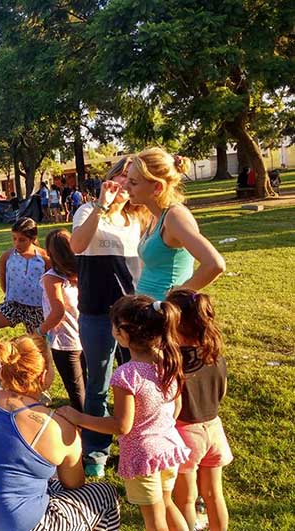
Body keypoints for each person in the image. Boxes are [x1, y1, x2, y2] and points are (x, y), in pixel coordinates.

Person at [0, 335, 121, 531]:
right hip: (24, 525)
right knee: (105, 493)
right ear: (44, 376)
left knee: (46, 485)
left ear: (4, 372)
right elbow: (74, 483)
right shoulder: (58, 426)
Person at [59, 295, 190, 531]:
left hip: (143, 455)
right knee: (168, 504)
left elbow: (121, 426)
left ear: (123, 334)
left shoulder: (127, 375)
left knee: (154, 519)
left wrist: (79, 418)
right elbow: (176, 407)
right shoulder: (168, 361)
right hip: (169, 447)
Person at [70, 158, 145, 477]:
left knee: (140, 382)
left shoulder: (137, 220)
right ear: (109, 180)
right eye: (121, 177)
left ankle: (140, 442)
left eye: (132, 179)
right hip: (97, 315)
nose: (125, 185)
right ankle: (96, 453)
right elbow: (76, 245)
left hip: (135, 317)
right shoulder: (87, 211)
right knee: (98, 386)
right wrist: (102, 206)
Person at [167, 289, 232, 531]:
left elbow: (173, 404)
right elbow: (222, 392)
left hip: (186, 435)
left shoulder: (172, 361)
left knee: (185, 499)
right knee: (215, 495)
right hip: (214, 429)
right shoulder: (216, 356)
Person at [125, 148, 225, 299]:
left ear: (157, 187)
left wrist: (177, 295)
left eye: (133, 182)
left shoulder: (174, 217)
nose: (126, 187)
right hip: (147, 313)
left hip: (164, 315)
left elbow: (214, 264)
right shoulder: (155, 215)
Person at [0, 217, 50, 341]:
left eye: (22, 240)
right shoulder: (7, 257)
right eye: (14, 239)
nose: (17, 243)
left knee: (39, 347)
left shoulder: (44, 258)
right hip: (13, 305)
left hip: (38, 310)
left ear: (33, 239)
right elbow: (4, 284)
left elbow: (51, 286)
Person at [38, 229, 85, 411]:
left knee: (76, 389)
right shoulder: (81, 273)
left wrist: (40, 330)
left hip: (65, 341)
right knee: (90, 383)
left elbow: (58, 311)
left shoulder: (52, 278)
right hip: (86, 334)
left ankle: (85, 425)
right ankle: (95, 418)